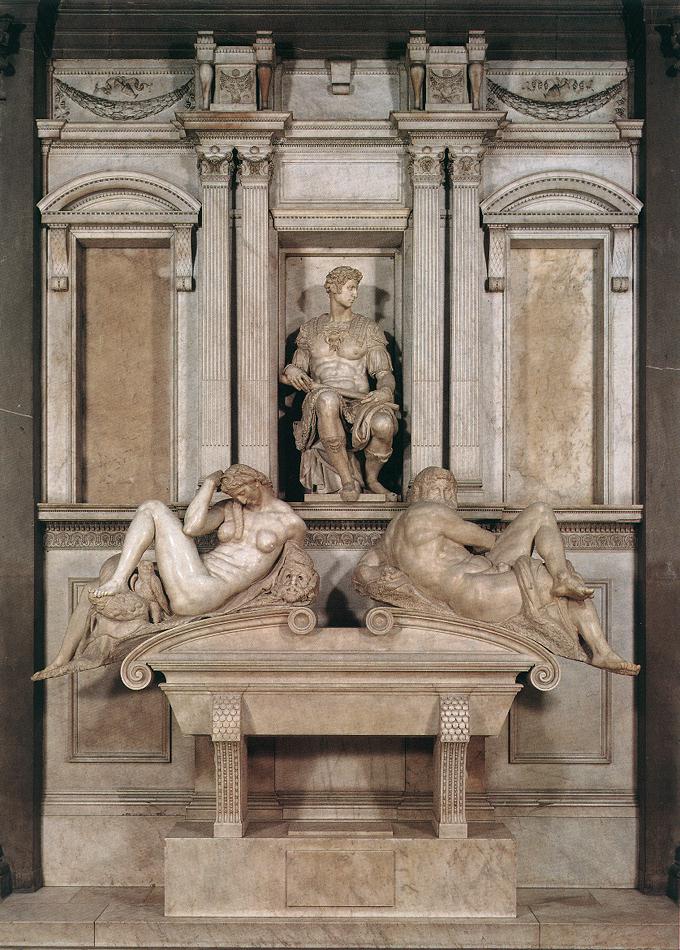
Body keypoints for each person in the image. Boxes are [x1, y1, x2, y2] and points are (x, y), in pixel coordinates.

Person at [354, 466, 640, 676]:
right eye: (435, 490)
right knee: (544, 525)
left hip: (475, 586)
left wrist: (387, 578)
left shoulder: (388, 538)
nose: (443, 496)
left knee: (552, 558)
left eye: (447, 491)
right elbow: (485, 540)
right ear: (417, 494)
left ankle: (567, 587)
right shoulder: (430, 512)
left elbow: (362, 572)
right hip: (479, 591)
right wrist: (507, 555)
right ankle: (598, 645)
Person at [34, 465, 307, 679]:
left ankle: (119, 581)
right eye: (236, 496)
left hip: (207, 592)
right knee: (94, 586)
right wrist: (209, 485)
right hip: (194, 577)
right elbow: (192, 527)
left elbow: (295, 571)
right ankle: (61, 660)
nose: (242, 499)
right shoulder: (232, 508)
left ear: (257, 481)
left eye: (244, 492)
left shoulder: (292, 524)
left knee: (153, 508)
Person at [281, 265, 399, 502]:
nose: (355, 294)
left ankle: (372, 479)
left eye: (356, 289)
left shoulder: (368, 328)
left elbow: (383, 373)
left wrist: (386, 390)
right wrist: (290, 370)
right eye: (350, 288)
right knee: (327, 399)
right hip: (321, 400)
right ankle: (347, 480)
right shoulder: (310, 329)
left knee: (384, 424)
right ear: (333, 288)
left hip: (360, 402)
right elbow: (294, 376)